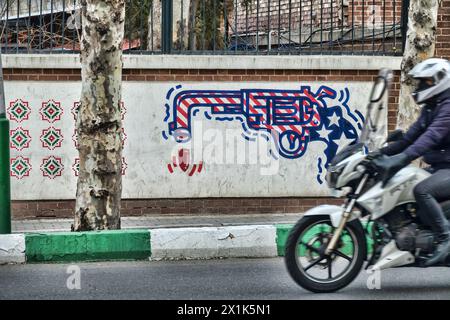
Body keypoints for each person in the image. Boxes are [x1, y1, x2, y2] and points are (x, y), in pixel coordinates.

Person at [371, 58, 450, 266]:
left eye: (426, 82)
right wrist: (378, 154)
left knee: (422, 190)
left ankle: (445, 237)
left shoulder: (448, 107)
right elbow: (409, 139)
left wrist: (402, 159)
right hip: (440, 167)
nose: (421, 86)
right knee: (408, 187)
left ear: (440, 80)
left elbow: (430, 137)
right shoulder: (431, 108)